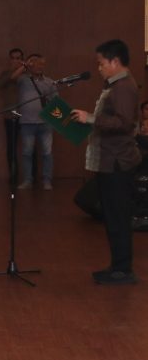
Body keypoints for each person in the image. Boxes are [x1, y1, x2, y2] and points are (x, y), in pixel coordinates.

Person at [71, 39, 141, 285]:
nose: (98, 68)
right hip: (111, 161)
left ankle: (123, 270)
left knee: (118, 217)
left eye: (101, 63)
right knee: (112, 216)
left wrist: (90, 118)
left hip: (117, 163)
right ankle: (118, 267)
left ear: (115, 61)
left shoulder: (123, 87)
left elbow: (123, 123)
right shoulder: (116, 84)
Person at [14, 53, 57, 190]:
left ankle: (47, 180)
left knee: (47, 153)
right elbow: (12, 78)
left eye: (42, 64)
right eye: (36, 63)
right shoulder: (23, 80)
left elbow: (56, 102)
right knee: (27, 153)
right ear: (30, 65)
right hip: (27, 122)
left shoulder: (49, 82)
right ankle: (27, 180)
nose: (39, 66)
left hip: (46, 123)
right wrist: (25, 65)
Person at [0, 48, 25, 179]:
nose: (16, 60)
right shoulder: (5, 74)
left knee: (30, 148)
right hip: (12, 116)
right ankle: (13, 176)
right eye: (13, 58)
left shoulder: (28, 76)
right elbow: (1, 84)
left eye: (19, 58)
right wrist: (22, 68)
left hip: (27, 117)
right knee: (12, 148)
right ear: (10, 60)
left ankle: (31, 178)